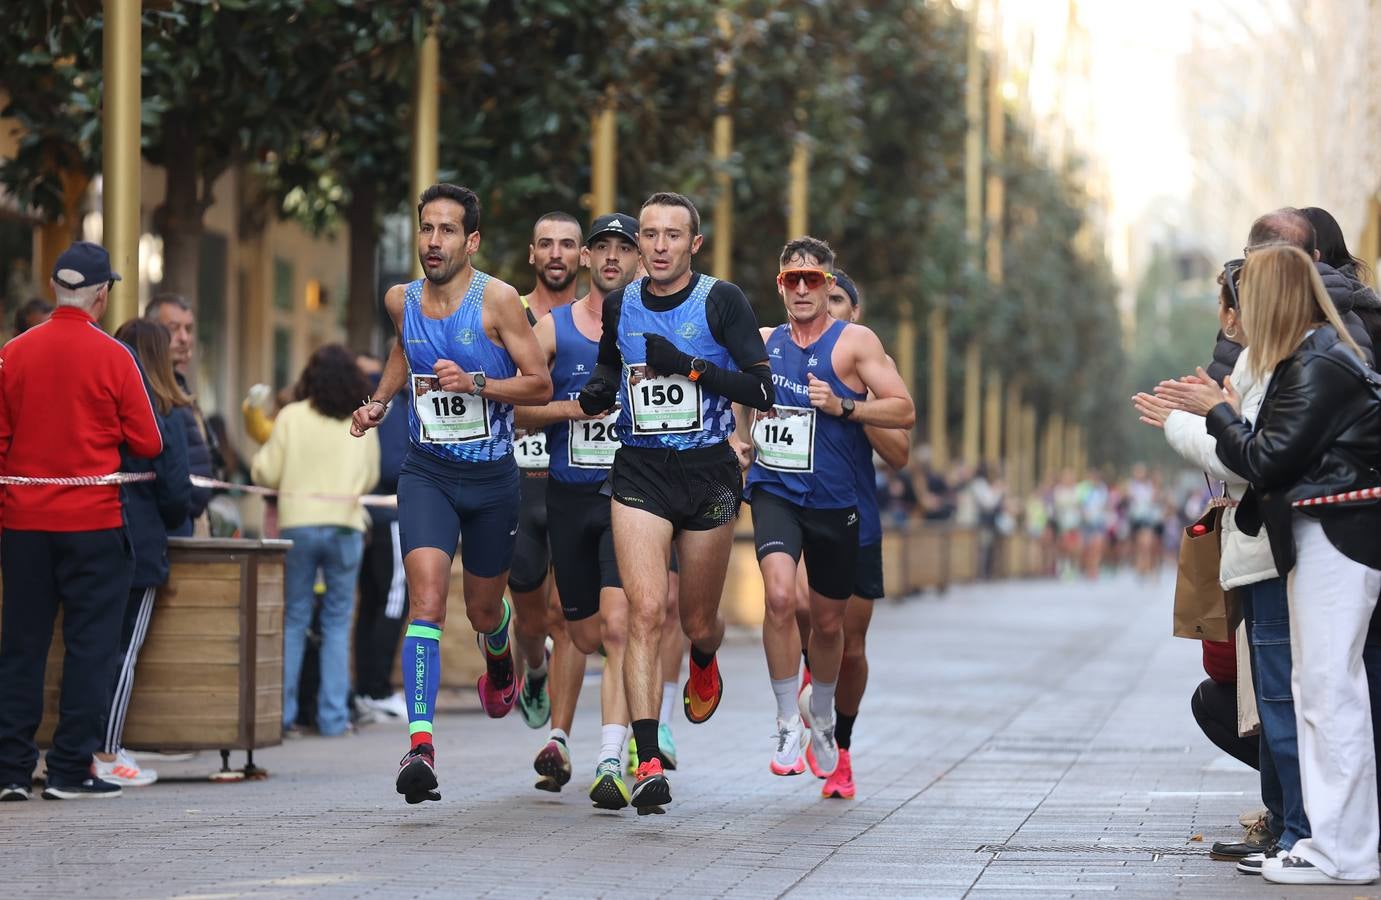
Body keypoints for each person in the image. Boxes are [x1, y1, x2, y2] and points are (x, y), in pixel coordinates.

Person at [1164, 245, 1381, 886]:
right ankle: (1333, 845)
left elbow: (1266, 459)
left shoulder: (1318, 362)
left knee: (1330, 694)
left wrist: (1217, 411)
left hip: (1338, 537)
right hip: (1322, 536)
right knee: (1321, 692)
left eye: (1246, 296)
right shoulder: (1311, 359)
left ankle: (1343, 851)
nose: (1237, 315)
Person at [350, 183, 551, 805]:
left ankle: (499, 651)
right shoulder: (400, 299)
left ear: (472, 241)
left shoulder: (496, 302)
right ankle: (420, 745)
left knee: (483, 610)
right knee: (427, 602)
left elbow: (540, 385)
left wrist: (478, 382)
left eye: (446, 231)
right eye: (425, 229)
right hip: (427, 473)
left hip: (492, 480)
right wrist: (381, 401)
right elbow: (401, 349)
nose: (432, 242)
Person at [576, 191, 774, 813]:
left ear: (694, 244)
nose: (659, 247)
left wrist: (689, 367)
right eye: (650, 236)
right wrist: (599, 388)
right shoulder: (621, 305)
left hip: (709, 474)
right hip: (640, 470)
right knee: (644, 613)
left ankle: (706, 660)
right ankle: (649, 762)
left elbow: (761, 388)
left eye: (672, 236)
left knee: (694, 621)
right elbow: (612, 365)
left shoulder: (723, 301)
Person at [1135, 258, 1293, 869]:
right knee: (1259, 693)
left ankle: (1300, 829)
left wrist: (1191, 419)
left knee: (1283, 694)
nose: (1227, 320)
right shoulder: (1281, 359)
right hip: (1268, 549)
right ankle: (1292, 824)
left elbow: (1251, 456)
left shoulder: (1299, 361)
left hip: (1287, 549)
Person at [737, 240, 913, 782]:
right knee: (783, 597)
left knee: (841, 633)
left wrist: (844, 406)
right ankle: (790, 718)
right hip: (777, 490)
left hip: (844, 503)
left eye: (815, 281)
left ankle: (833, 724)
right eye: (793, 280)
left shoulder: (856, 344)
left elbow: (903, 427)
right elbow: (736, 391)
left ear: (834, 288)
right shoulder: (765, 342)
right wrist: (742, 438)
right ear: (780, 285)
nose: (805, 290)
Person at [0, 242, 163, 801]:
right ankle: (69, 771)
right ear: (102, 294)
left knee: (21, 646)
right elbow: (148, 439)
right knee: (91, 648)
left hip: (22, 527)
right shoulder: (116, 357)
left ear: (53, 289)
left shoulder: (13, 353)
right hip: (93, 525)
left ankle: (11, 773)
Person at [516, 212, 641, 806]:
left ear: (641, 261)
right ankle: (559, 737)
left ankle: (611, 758)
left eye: (625, 247)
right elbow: (513, 407)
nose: (613, 256)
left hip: (633, 498)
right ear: (588, 260)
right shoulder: (554, 328)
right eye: (604, 248)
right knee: (577, 629)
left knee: (619, 627)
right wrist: (571, 410)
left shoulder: (656, 329)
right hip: (567, 493)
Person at [253, 345, 380, 737]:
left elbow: (265, 472)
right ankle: (332, 717)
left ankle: (284, 715)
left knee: (294, 618)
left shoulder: (291, 417)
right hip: (345, 524)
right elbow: (371, 476)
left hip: (298, 526)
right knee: (338, 622)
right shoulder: (361, 420)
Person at [93, 320, 193, 788]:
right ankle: (108, 752)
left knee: (89, 647)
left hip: (93, 530)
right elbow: (176, 492)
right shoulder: (164, 411)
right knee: (123, 653)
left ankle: (84, 748)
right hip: (143, 541)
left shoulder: (102, 407)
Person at [508, 212, 587, 732]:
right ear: (532, 254)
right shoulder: (506, 313)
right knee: (531, 613)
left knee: (565, 613)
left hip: (578, 477)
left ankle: (558, 737)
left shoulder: (598, 318)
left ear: (583, 256)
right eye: (545, 245)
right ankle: (534, 668)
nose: (555, 254)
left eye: (566, 245)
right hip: (520, 475)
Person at [352, 352, 413, 724]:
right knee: (392, 603)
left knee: (375, 604)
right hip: (389, 514)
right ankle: (375, 690)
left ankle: (368, 689)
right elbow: (391, 463)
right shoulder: (392, 403)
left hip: (371, 513)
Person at [145, 295, 214, 533]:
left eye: (188, 329)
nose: (184, 338)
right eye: (173, 329)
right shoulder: (149, 390)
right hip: (168, 526)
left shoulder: (179, 386)